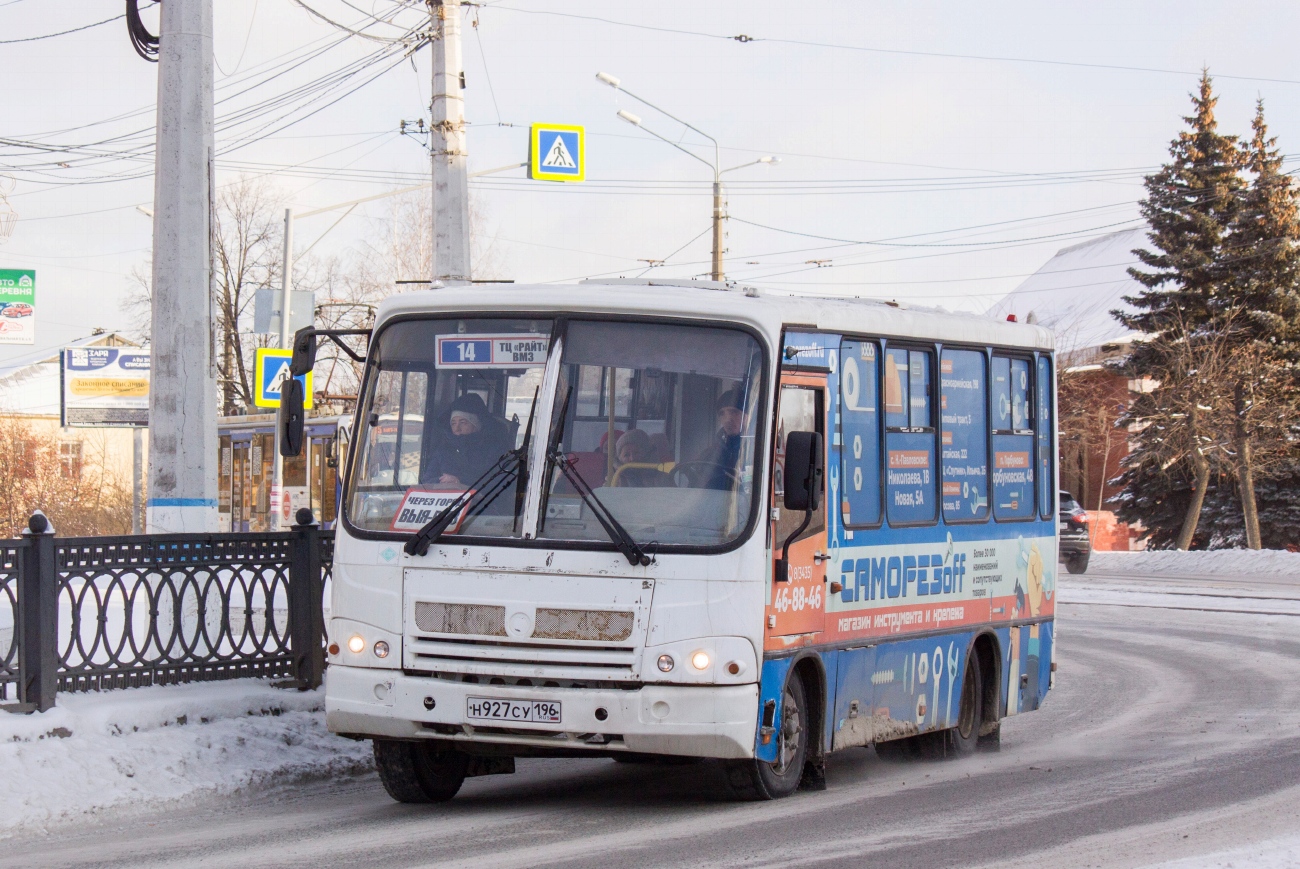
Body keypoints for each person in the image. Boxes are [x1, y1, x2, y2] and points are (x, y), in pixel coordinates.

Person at [424, 393, 511, 487]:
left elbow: (499, 483)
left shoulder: (496, 450)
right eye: (453, 423)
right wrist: (442, 481)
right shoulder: (442, 451)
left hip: (483, 501)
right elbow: (427, 482)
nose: (457, 428)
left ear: (476, 425)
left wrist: (460, 481)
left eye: (463, 423)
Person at [695, 388, 746, 490]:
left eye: (734, 412)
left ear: (748, 416)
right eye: (722, 413)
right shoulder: (710, 453)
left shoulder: (758, 451)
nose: (727, 419)